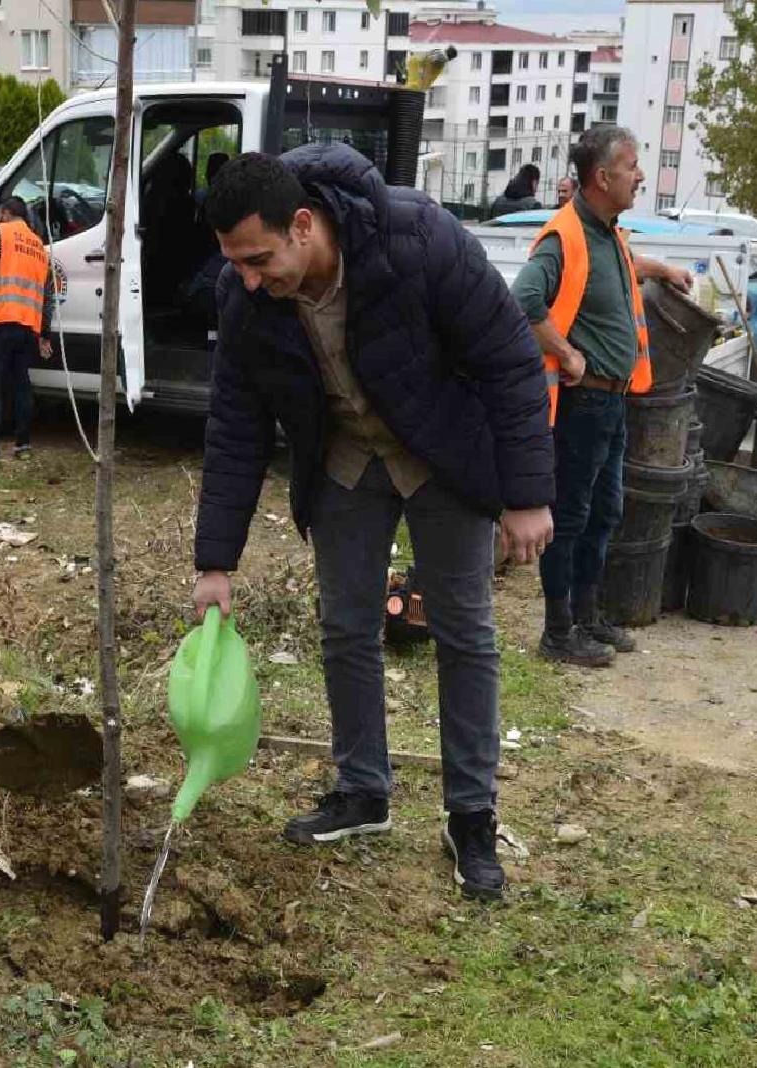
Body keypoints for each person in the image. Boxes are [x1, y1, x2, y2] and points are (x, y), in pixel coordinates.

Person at [193, 147, 555, 900]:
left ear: (303, 224)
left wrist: (526, 495)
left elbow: (510, 358)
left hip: (441, 452)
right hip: (346, 460)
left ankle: (471, 817)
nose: (251, 279)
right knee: (345, 625)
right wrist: (215, 561)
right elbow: (236, 425)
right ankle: (363, 790)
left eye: (260, 259)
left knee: (464, 630)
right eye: (237, 264)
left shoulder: (417, 239)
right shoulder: (246, 292)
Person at [511, 126, 692, 668]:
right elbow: (523, 298)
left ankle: (587, 616)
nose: (639, 175)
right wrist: (566, 355)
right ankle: (558, 630)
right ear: (602, 176)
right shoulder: (564, 235)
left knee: (604, 512)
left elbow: (618, 270)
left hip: (612, 401)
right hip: (582, 403)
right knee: (571, 516)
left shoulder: (606, 232)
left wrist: (662, 270)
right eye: (633, 166)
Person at [0, 196, 56, 466]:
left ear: (5, 213)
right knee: (20, 384)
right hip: (27, 326)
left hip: (1, 318)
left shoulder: (0, 231)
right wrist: (44, 333)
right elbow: (47, 296)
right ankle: (23, 443)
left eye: (0, 214)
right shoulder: (40, 247)